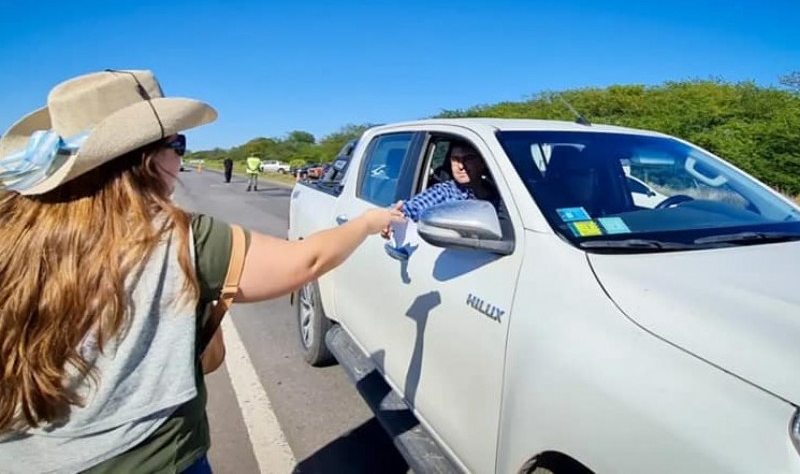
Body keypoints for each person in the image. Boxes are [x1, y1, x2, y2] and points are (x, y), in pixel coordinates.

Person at [0, 69, 404, 474]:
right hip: (153, 459)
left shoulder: (10, 230)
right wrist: (367, 223)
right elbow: (306, 262)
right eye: (178, 144)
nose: (182, 158)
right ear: (146, 158)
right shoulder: (178, 236)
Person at [383, 140, 498, 238]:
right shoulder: (445, 192)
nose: (461, 166)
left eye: (468, 159)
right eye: (455, 159)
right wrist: (389, 217)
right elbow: (412, 208)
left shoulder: (500, 192)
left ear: (482, 162)